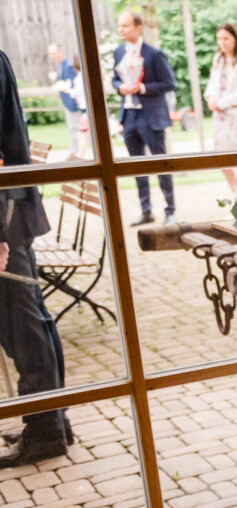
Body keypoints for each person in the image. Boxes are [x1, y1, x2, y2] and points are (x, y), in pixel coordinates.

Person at [0, 50, 72, 467]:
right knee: (33, 323)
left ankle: (45, 432)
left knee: (23, 330)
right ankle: (53, 423)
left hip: (6, 218)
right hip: (13, 212)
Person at [113, 11, 177, 226]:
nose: (121, 29)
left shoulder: (154, 54)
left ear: (138, 28)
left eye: (126, 26)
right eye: (120, 26)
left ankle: (170, 210)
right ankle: (146, 210)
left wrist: (142, 87)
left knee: (160, 164)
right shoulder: (118, 52)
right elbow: (114, 80)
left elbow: (169, 83)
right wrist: (119, 88)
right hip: (129, 116)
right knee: (137, 166)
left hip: (151, 116)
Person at [204, 22, 237, 199]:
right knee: (222, 160)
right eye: (219, 38)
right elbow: (212, 84)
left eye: (226, 38)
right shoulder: (218, 60)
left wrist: (222, 102)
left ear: (235, 39)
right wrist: (211, 98)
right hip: (220, 119)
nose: (222, 42)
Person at [48, 43, 85, 158]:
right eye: (50, 54)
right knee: (74, 130)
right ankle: (75, 153)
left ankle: (74, 154)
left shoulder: (68, 65)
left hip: (73, 104)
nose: (51, 56)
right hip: (68, 104)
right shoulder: (60, 65)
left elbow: (75, 84)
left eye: (53, 53)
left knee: (77, 130)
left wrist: (63, 87)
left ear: (60, 52)